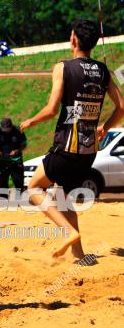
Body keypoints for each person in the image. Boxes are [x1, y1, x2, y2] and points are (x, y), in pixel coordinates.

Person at [20, 19, 124, 259]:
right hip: (89, 151)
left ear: (74, 39)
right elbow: (121, 107)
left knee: (34, 187)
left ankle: (67, 232)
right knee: (64, 198)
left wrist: (30, 122)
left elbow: (51, 110)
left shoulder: (63, 67)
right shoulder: (103, 71)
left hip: (67, 146)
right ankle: (80, 256)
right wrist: (105, 127)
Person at [0, 117, 27, 195]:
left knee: (18, 182)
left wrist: (17, 151)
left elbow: (24, 145)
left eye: (7, 129)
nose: (5, 131)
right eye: (4, 129)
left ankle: (19, 200)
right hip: (3, 160)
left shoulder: (18, 131)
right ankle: (3, 200)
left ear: (11, 126)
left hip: (16, 160)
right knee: (3, 182)